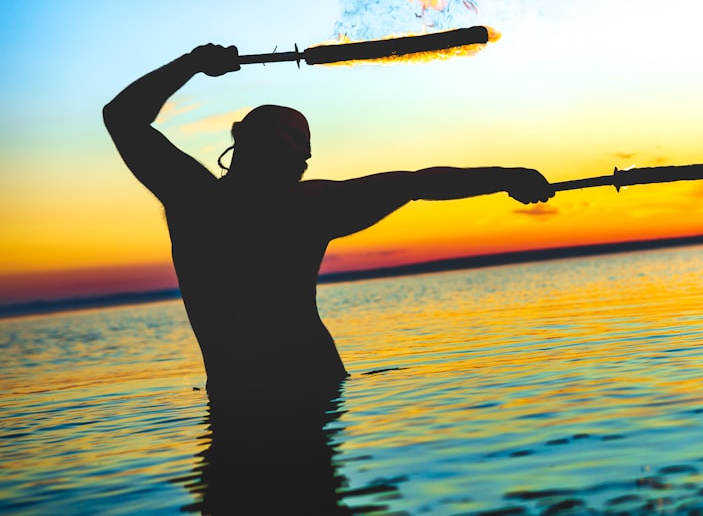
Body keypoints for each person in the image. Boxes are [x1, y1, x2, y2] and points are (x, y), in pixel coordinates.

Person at [103, 43, 554, 400]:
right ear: (300, 161)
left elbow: (121, 117)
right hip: (311, 386)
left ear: (238, 143)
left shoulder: (194, 200)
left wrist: (192, 64)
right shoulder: (309, 207)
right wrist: (507, 177)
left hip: (239, 396)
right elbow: (416, 183)